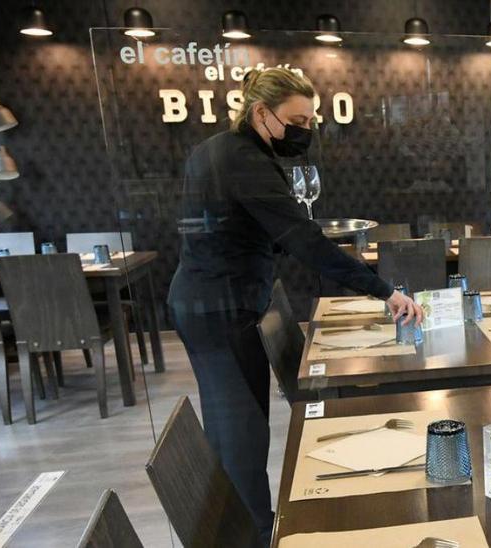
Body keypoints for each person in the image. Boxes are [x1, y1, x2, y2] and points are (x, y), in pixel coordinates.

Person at [167, 67, 422, 544]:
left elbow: (239, 230)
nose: (305, 130)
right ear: (261, 113)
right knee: (242, 433)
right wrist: (384, 291)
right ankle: (256, 536)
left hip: (212, 302)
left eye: (311, 120)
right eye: (297, 119)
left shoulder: (219, 149)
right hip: (219, 310)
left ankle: (243, 529)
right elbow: (302, 240)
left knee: (234, 428)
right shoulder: (244, 160)